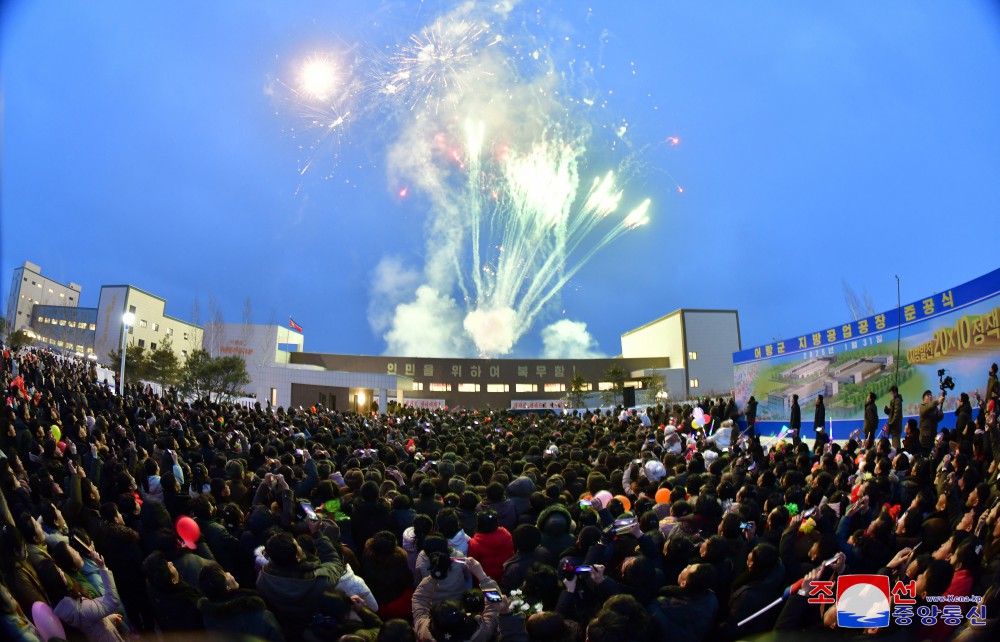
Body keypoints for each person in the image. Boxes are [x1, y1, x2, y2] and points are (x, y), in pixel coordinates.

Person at [884, 385, 903, 450]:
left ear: (894, 392)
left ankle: (897, 457)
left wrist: (891, 423)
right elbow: (891, 412)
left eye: (891, 393)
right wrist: (886, 410)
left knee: (896, 445)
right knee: (894, 443)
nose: (891, 395)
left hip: (896, 427)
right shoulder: (893, 400)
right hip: (894, 427)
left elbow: (896, 414)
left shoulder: (897, 400)